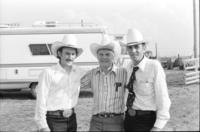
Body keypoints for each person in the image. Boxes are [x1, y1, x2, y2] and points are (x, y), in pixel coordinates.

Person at [124, 28, 171, 131]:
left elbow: (163, 99)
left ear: (144, 47)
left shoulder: (154, 66)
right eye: (130, 47)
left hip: (146, 121)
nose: (133, 51)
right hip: (128, 120)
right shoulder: (128, 67)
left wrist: (157, 127)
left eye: (136, 47)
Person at [35, 34, 84, 132]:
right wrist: (43, 126)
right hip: (53, 120)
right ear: (59, 53)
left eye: (73, 54)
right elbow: (41, 100)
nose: (70, 57)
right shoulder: (48, 73)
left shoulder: (78, 72)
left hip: (71, 119)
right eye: (67, 53)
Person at [81, 34, 127, 131]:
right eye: (101, 54)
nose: (104, 57)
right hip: (96, 121)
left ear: (113, 56)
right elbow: (74, 86)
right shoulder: (91, 74)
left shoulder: (123, 73)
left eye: (107, 54)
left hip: (116, 121)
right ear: (97, 56)